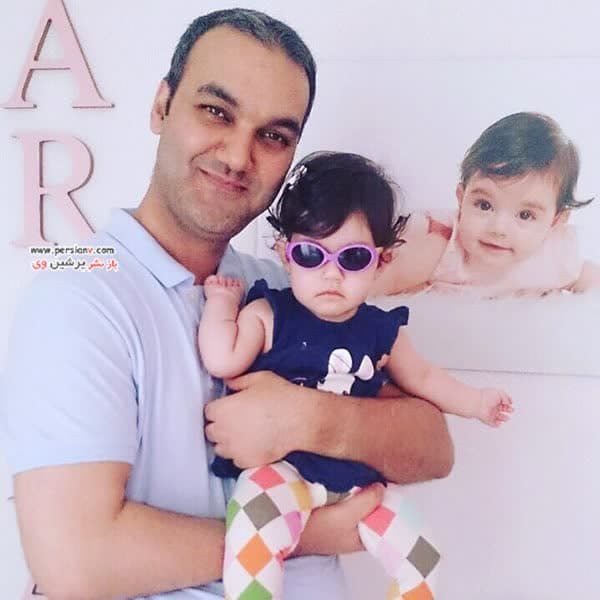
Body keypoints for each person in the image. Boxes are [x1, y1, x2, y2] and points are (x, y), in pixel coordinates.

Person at [0, 9, 454, 600]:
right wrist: (308, 533)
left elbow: (433, 446)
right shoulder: (79, 293)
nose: (239, 156)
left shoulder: (289, 285)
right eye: (217, 111)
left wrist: (306, 418)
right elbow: (77, 561)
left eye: (273, 136)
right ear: (162, 106)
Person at [198, 151, 513, 600]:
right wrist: (222, 306)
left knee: (423, 556)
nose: (331, 273)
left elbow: (424, 379)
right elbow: (222, 360)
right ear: (285, 255)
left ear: (381, 262)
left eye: (353, 258)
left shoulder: (382, 332)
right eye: (311, 254)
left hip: (357, 482)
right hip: (283, 474)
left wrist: (477, 403)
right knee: (253, 537)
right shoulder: (269, 313)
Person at [372, 112, 600, 298]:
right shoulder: (437, 244)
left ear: (556, 221)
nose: (498, 229)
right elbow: (370, 289)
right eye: (484, 205)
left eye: (525, 215)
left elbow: (587, 278)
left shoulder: (556, 256)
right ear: (461, 199)